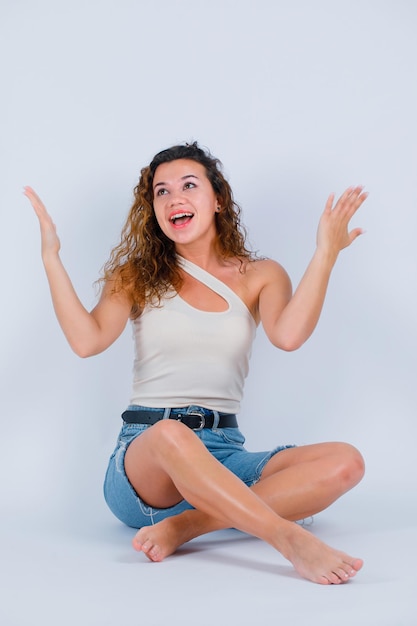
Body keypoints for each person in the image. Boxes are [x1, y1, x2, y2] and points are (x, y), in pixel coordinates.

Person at [24, 141, 367, 585]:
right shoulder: (135, 276)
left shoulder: (259, 275)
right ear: (153, 209)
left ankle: (188, 526)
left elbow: (289, 336)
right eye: (161, 191)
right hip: (148, 461)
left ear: (217, 198)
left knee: (345, 462)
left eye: (188, 185)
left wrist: (326, 253)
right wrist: (51, 258)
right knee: (171, 434)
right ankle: (286, 539)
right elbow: (86, 342)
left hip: (224, 452)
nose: (174, 198)